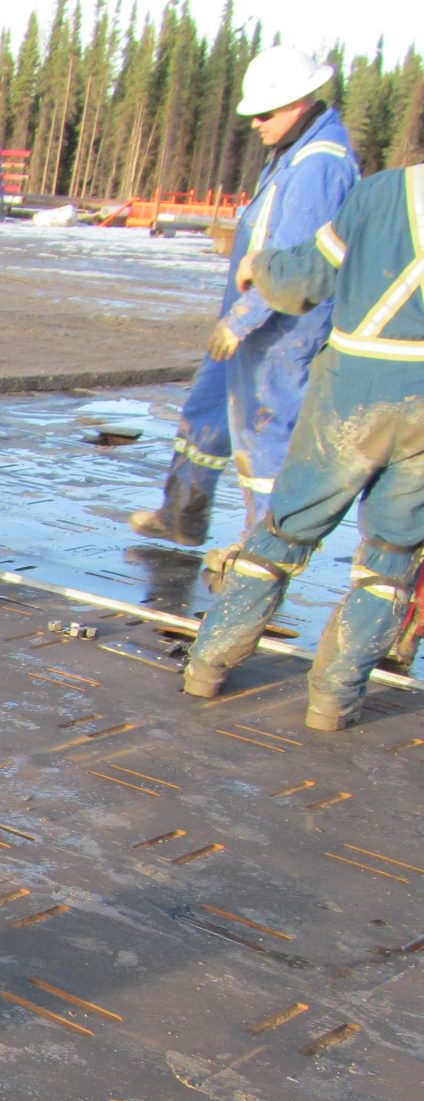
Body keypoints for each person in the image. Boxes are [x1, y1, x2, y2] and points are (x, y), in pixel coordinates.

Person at [182, 160, 424, 731]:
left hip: (356, 387)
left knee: (287, 529)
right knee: (392, 554)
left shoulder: (384, 192)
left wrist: (259, 265)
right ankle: (333, 702)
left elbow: (307, 280)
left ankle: (209, 663)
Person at [131, 46, 357, 548]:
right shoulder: (291, 154)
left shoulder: (319, 164)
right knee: (206, 409)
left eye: (264, 113)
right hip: (250, 318)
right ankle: (183, 513)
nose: (255, 122)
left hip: (282, 326)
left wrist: (243, 319)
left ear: (297, 104)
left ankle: (260, 552)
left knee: (264, 434)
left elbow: (295, 261)